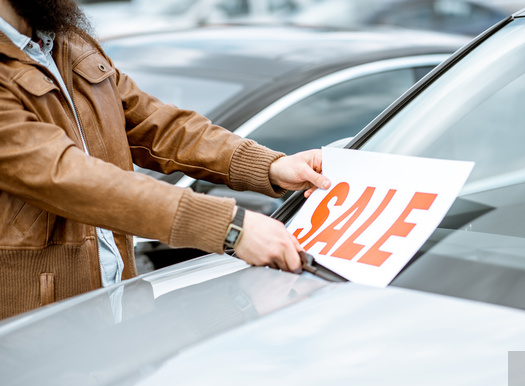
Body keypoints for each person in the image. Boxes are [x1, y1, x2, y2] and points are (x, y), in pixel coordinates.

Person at [0, 0, 331, 317]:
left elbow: (159, 126)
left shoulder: (65, 40)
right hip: (39, 331)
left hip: (118, 307)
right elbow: (68, 177)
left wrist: (269, 165)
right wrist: (229, 227)